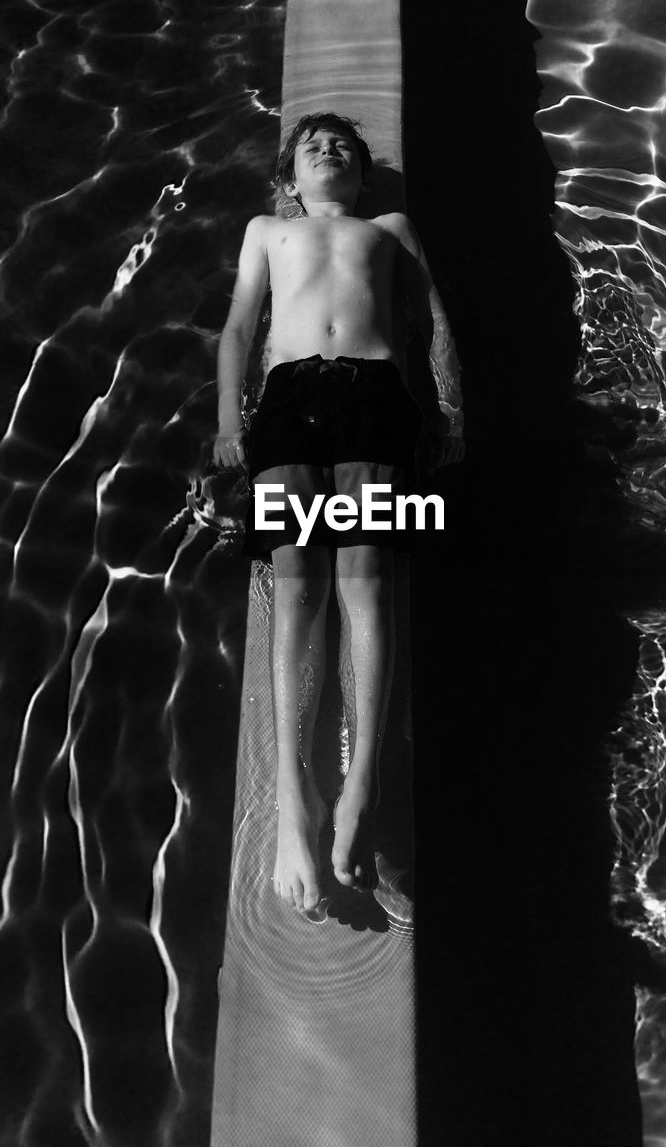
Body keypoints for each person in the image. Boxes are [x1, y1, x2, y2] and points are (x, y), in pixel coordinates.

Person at [213, 113, 464, 916]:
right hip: (288, 399)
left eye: (345, 148)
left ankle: (363, 785)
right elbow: (239, 329)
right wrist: (229, 420)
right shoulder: (266, 232)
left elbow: (433, 325)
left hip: (375, 395)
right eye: (314, 146)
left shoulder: (389, 227)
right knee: (297, 590)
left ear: (359, 177)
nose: (331, 151)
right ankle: (296, 801)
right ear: (290, 181)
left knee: (366, 584)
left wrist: (451, 412)